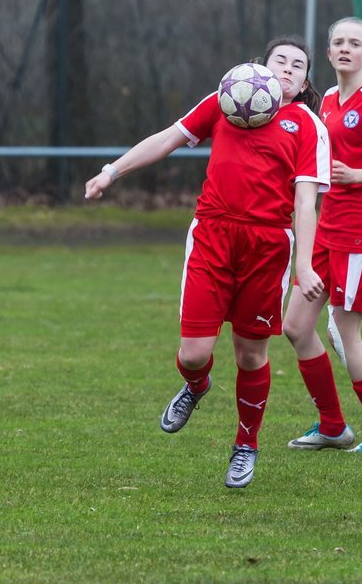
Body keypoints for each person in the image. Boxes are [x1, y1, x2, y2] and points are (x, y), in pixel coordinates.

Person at [84, 37, 330, 488]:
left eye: (299, 66)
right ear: (259, 66)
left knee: (250, 353)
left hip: (267, 245)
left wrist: (306, 266)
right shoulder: (225, 98)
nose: (288, 70)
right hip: (213, 236)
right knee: (194, 353)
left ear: (304, 81)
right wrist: (111, 171)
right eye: (281, 61)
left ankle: (245, 445)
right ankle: (197, 386)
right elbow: (167, 138)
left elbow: (306, 202)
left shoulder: (308, 126)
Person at [281, 16, 362, 454]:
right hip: (326, 229)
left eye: (354, 43)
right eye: (338, 42)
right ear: (328, 52)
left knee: (343, 328)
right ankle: (333, 426)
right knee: (297, 326)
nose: (345, 49)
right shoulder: (329, 102)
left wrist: (357, 174)